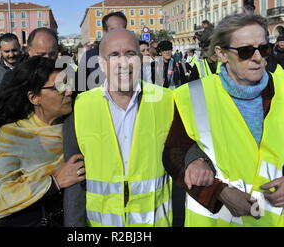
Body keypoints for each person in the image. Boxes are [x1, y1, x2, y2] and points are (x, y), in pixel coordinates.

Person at [163, 13, 284, 227]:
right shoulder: (191, 95)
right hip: (216, 221)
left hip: (277, 221)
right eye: (245, 51)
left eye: (263, 48)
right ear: (221, 53)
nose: (257, 58)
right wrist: (218, 192)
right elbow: (173, 154)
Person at [62, 28, 213, 227]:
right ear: (101, 64)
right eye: (114, 55)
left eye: (130, 54)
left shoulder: (166, 100)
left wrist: (198, 159)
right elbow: (74, 180)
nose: (123, 63)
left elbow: (186, 144)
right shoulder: (81, 106)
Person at [0, 57, 83, 227]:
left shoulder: (77, 127)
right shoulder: (13, 134)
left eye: (68, 84)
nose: (69, 92)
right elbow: (0, 195)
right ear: (34, 97)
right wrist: (54, 181)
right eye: (59, 86)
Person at [78, 11, 127, 92]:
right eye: (113, 30)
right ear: (104, 31)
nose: (118, 33)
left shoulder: (132, 56)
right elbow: (80, 89)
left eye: (122, 30)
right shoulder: (89, 56)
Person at [0, 28, 59, 93]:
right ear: (29, 50)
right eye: (42, 54)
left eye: (52, 54)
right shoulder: (13, 77)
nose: (48, 59)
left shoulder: (65, 74)